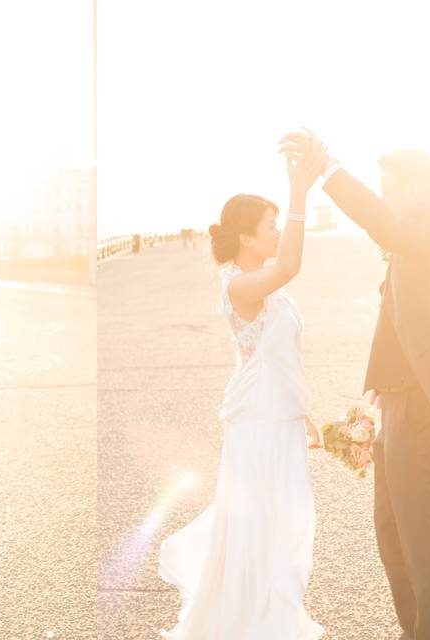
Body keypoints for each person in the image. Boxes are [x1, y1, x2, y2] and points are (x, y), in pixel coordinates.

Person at [279, 131, 430, 640]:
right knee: (392, 532)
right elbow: (406, 321)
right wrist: (378, 388)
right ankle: (416, 631)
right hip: (399, 403)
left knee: (423, 542)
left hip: (425, 408)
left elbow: (383, 224)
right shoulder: (413, 239)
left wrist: (327, 170)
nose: (385, 198)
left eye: (389, 188)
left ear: (413, 188)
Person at [157, 136, 327, 638]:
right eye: (271, 227)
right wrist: (299, 191)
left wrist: (303, 414)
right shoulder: (238, 285)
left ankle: (269, 618)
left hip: (280, 418)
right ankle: (251, 625)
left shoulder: (266, 284)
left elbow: (276, 357)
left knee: (283, 524)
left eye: (278, 225)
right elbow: (291, 265)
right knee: (260, 528)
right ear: (248, 240)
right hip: (256, 424)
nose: (276, 233)